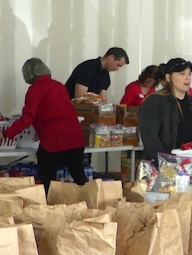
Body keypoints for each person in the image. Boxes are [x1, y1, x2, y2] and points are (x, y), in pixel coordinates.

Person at [2, 58, 87, 192]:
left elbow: (27, 118)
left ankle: (50, 208)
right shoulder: (59, 85)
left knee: (47, 178)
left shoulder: (35, 89)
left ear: (28, 73)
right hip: (75, 136)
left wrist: (6, 133)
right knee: (79, 176)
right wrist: (41, 130)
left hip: (55, 140)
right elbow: (57, 111)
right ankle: (92, 203)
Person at [138, 58, 192, 161]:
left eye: (189, 74)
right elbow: (150, 138)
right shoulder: (154, 102)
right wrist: (169, 162)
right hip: (162, 167)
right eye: (182, 74)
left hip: (189, 166)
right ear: (168, 77)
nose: (187, 78)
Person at [65, 47, 129, 99]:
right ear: (111, 58)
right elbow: (79, 98)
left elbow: (102, 100)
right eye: (118, 65)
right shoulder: (87, 68)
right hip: (69, 109)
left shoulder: (106, 76)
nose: (117, 69)